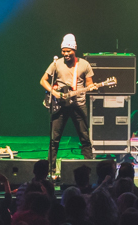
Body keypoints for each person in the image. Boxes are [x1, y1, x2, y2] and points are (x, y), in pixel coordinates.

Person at [40, 33, 96, 166]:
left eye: (68, 51)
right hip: (60, 105)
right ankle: (51, 168)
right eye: (63, 51)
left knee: (85, 138)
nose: (66, 54)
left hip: (79, 104)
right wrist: (54, 92)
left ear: (74, 50)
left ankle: (90, 166)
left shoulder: (84, 64)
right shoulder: (56, 64)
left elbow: (89, 83)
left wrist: (92, 87)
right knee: (54, 139)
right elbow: (43, 80)